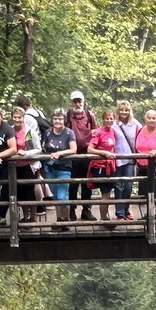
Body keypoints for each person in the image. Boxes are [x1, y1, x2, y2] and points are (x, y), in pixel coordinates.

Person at [42, 108, 76, 228]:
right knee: (55, 196)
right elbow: (44, 148)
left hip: (64, 167)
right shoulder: (47, 133)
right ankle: (58, 219)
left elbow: (73, 149)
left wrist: (60, 153)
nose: (58, 121)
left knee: (62, 196)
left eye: (60, 119)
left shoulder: (69, 133)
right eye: (55, 119)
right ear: (52, 120)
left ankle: (65, 220)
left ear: (64, 120)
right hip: (50, 168)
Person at [66, 90, 97, 221]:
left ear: (83, 102)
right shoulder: (67, 116)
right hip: (72, 155)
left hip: (87, 154)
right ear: (71, 102)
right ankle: (72, 210)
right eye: (75, 101)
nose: (77, 104)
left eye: (79, 101)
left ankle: (86, 210)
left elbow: (95, 132)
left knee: (87, 183)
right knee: (72, 184)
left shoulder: (89, 115)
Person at [10, 106, 42, 223]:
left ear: (23, 118)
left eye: (19, 117)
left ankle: (32, 217)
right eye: (15, 117)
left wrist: (26, 153)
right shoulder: (10, 130)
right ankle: (25, 216)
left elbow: (38, 149)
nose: (17, 119)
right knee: (21, 192)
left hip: (29, 166)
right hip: (15, 167)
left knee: (30, 192)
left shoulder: (30, 131)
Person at [86, 109, 118, 225]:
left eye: (111, 118)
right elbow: (90, 149)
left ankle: (105, 217)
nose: (109, 120)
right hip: (100, 166)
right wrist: (104, 153)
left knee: (108, 193)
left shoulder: (113, 131)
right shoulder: (98, 132)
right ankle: (104, 218)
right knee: (105, 193)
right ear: (103, 119)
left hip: (110, 166)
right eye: (107, 118)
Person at [111, 100, 139, 221]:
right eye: (121, 110)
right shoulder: (114, 124)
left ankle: (126, 209)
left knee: (128, 186)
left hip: (130, 159)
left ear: (129, 111)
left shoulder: (135, 124)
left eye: (126, 110)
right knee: (118, 186)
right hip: (117, 158)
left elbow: (143, 134)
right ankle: (119, 212)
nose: (124, 112)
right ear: (118, 110)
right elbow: (104, 132)